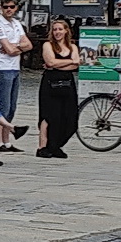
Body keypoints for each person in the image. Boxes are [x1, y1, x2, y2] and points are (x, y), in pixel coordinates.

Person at [36, 19, 81, 159]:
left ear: (66, 31)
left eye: (60, 29)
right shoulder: (48, 45)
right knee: (49, 115)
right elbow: (50, 62)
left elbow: (76, 65)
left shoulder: (73, 47)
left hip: (67, 83)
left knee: (69, 116)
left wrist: (59, 64)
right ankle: (43, 146)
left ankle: (55, 145)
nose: (57, 32)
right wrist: (70, 61)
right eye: (55, 29)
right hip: (50, 83)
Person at [0, 0, 32, 133]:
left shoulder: (16, 23)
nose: (9, 9)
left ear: (16, 8)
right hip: (3, 68)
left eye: (12, 7)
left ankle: (5, 140)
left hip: (15, 67)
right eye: (6, 7)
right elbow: (9, 50)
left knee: (12, 108)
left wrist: (15, 45)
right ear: (1, 8)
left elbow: (29, 45)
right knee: (3, 107)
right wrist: (17, 47)